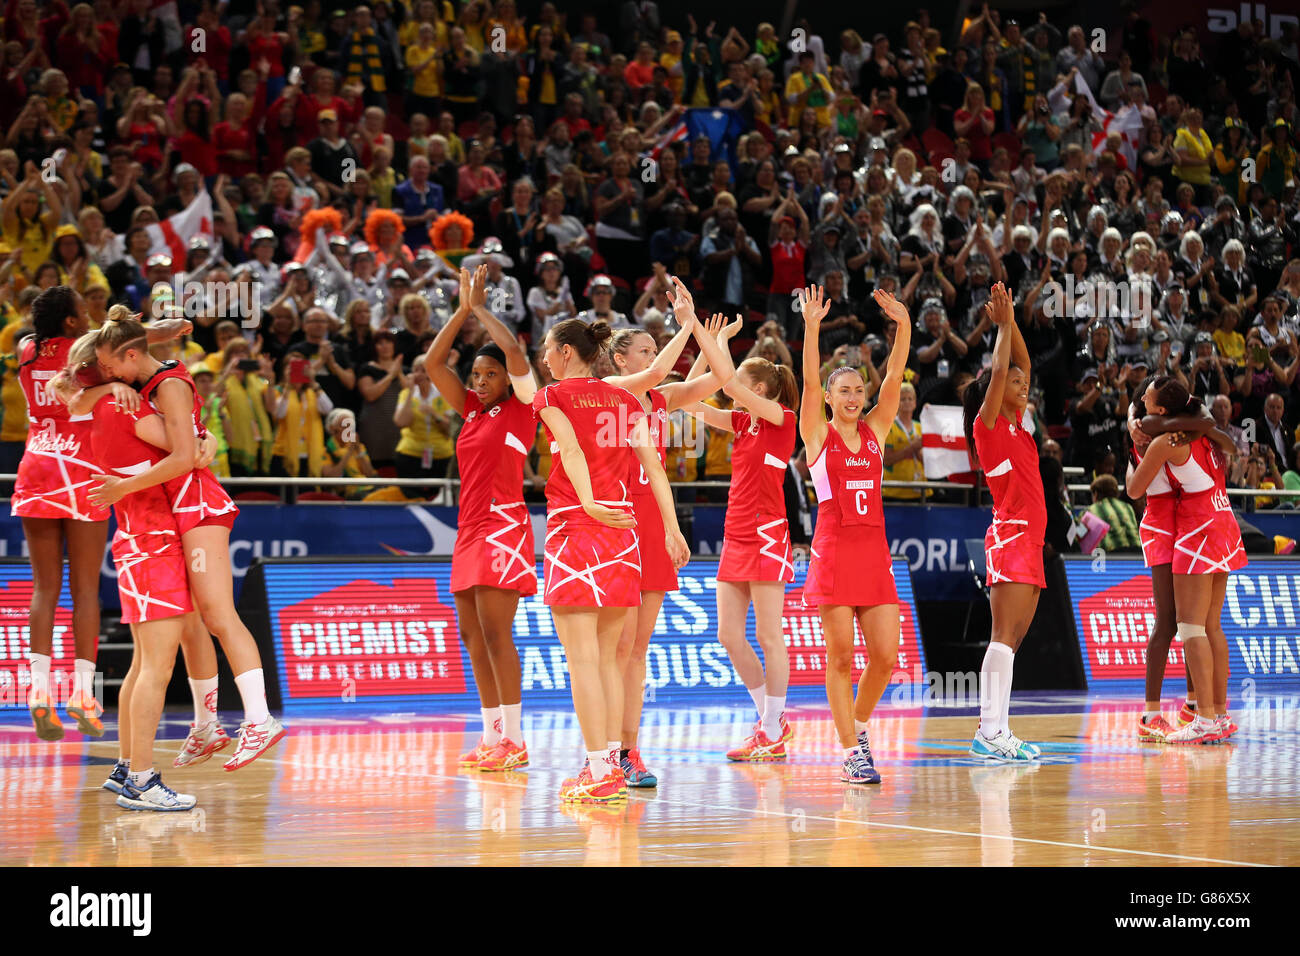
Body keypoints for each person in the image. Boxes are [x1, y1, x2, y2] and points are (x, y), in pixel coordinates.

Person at [85, 313, 285, 770]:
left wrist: (122, 488)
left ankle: (259, 719)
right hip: (179, 507)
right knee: (192, 624)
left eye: (110, 365)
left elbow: (183, 458)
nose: (107, 373)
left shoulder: (169, 385)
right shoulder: (147, 381)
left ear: (131, 354)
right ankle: (205, 725)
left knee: (218, 614)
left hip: (198, 503)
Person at [534, 317, 688, 803]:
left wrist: (587, 500)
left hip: (577, 530)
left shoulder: (552, 397)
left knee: (583, 662)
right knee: (607, 661)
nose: (542, 358)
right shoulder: (623, 400)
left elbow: (574, 451)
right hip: (625, 538)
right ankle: (613, 766)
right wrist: (672, 527)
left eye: (545, 349)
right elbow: (655, 469)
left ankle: (599, 771)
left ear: (563, 352)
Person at [602, 279, 739, 787]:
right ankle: (604, 749)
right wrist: (686, 324)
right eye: (643, 348)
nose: (653, 356)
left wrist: (700, 328)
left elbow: (721, 376)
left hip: (654, 526)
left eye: (654, 348)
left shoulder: (660, 400)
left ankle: (628, 752)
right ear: (620, 360)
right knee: (615, 650)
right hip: (615, 524)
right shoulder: (610, 395)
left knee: (637, 650)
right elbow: (661, 370)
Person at [798, 283, 914, 784]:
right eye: (842, 390)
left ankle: (858, 727)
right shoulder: (817, 433)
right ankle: (850, 752)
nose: (852, 396)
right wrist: (810, 328)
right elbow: (805, 382)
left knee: (886, 656)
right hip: (833, 550)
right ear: (829, 397)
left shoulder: (877, 430)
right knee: (841, 655)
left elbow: (893, 375)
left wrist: (904, 325)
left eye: (857, 390)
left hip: (873, 554)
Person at [426, 266, 539, 772]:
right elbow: (432, 363)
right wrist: (461, 311)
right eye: (476, 375)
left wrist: (482, 309)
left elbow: (513, 351)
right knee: (472, 636)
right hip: (469, 531)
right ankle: (492, 734)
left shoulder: (524, 407)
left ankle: (514, 737)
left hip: (503, 527)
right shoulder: (471, 410)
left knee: (497, 634)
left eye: (489, 374)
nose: (481, 381)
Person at [686, 328, 800, 761]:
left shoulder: (780, 419)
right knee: (729, 635)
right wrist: (701, 348)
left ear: (758, 390)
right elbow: (690, 402)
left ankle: (771, 727)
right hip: (736, 535)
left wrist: (705, 333)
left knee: (770, 635)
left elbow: (727, 382)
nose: (731, 393)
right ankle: (770, 725)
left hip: (768, 534)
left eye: (740, 387)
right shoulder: (741, 421)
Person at [12, 286, 109, 741]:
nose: (89, 315)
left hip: (36, 468)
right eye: (82, 310)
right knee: (85, 590)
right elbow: (126, 342)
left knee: (44, 588)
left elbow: (31, 337)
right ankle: (84, 694)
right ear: (71, 322)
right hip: (82, 471)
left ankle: (38, 692)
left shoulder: (25, 350)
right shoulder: (88, 354)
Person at [1128, 378, 1245, 744]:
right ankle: (1212, 712)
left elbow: (1134, 490)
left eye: (1148, 396)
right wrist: (1135, 424)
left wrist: (1137, 439)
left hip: (1193, 528)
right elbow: (1224, 437)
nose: (1143, 398)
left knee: (1186, 625)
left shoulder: (1166, 440)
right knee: (1207, 625)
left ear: (1163, 410)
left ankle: (1200, 714)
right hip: (1219, 519)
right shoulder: (1201, 432)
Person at [961, 282, 1044, 761]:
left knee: (1011, 642)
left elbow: (1023, 365)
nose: (1022, 384)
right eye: (1014, 384)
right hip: (1011, 537)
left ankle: (996, 730)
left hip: (1030, 541)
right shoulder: (987, 428)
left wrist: (1013, 325)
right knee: (1002, 639)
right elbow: (1000, 370)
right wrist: (1003, 327)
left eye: (1020, 383)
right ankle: (990, 732)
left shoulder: (1017, 424)